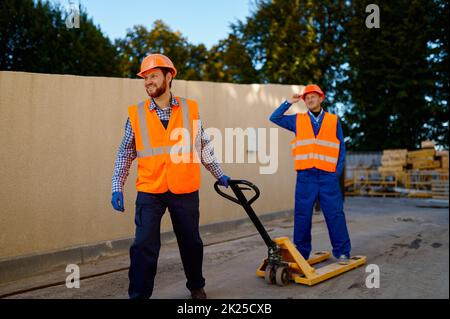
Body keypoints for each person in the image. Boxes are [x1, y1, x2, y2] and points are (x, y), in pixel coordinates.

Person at [111, 53, 230, 299]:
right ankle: (139, 296)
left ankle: (196, 285)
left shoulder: (190, 109)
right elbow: (125, 152)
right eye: (145, 78)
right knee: (143, 246)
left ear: (169, 76)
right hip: (150, 190)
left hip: (184, 188)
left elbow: (202, 146)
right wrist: (117, 186)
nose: (148, 82)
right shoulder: (136, 114)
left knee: (192, 244)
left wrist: (220, 174)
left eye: (153, 76)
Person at [269, 84, 351, 264]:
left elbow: (341, 149)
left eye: (313, 96)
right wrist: (289, 102)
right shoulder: (297, 120)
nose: (309, 100)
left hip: (328, 176)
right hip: (306, 177)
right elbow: (274, 117)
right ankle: (302, 253)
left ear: (321, 98)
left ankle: (343, 251)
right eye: (306, 98)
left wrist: (335, 173)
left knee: (335, 214)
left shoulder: (333, 120)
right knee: (302, 215)